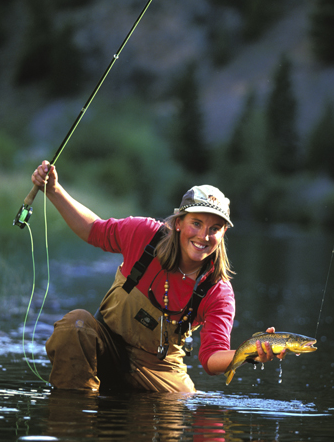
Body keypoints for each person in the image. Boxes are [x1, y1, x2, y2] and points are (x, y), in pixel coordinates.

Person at [31, 161, 285, 393]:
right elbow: (94, 230)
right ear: (178, 223)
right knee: (75, 325)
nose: (203, 236)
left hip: (160, 370)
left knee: (183, 404)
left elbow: (211, 358)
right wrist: (53, 190)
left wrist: (251, 352)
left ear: (223, 232)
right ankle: (76, 415)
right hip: (104, 345)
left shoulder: (218, 291)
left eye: (214, 228)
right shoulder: (143, 234)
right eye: (196, 223)